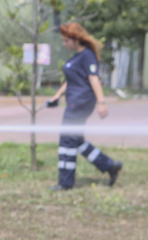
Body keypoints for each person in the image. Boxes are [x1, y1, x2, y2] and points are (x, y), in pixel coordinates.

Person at [46, 22, 122, 191]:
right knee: (75, 139)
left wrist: (101, 102)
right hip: (74, 100)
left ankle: (65, 182)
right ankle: (110, 165)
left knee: (67, 139)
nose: (64, 44)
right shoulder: (76, 56)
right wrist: (57, 96)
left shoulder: (87, 55)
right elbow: (71, 80)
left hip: (81, 102)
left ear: (75, 39)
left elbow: (93, 78)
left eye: (66, 41)